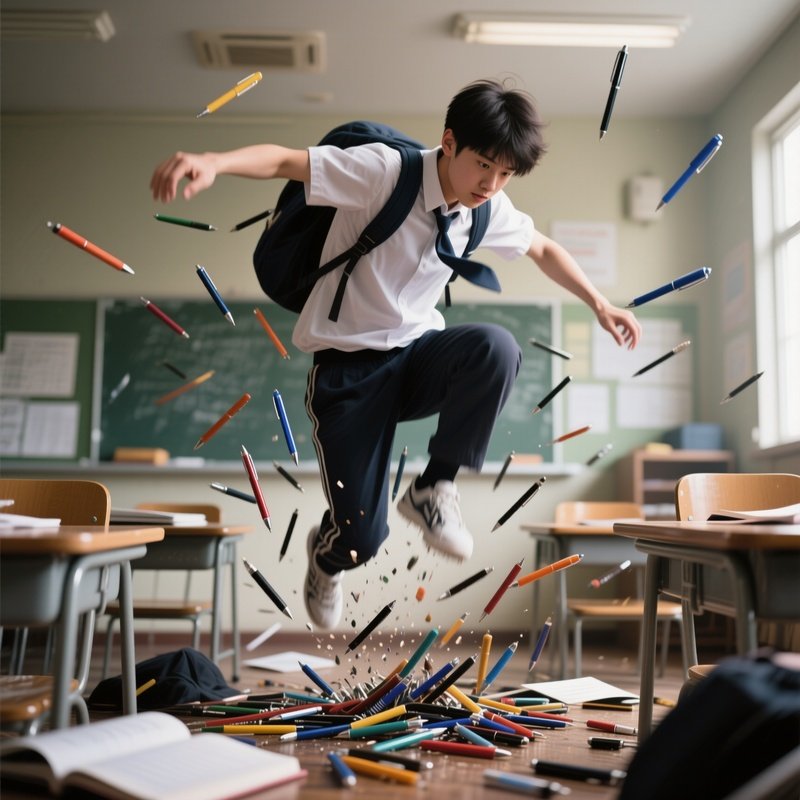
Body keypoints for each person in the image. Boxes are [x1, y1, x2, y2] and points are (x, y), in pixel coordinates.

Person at [150, 78, 640, 630]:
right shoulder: (382, 171)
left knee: (495, 347)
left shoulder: (487, 207)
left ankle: (435, 486)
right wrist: (213, 161)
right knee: (362, 539)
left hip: (415, 358)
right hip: (349, 372)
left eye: (505, 174)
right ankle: (327, 556)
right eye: (484, 165)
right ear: (449, 142)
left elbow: (543, 248)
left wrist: (601, 303)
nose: (492, 184)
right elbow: (285, 161)